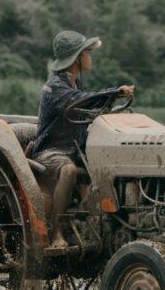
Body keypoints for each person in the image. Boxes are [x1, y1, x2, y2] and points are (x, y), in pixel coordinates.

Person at [30, 30, 134, 250]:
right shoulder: (55, 87)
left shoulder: (75, 84)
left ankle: (101, 225)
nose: (90, 57)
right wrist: (115, 92)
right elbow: (83, 101)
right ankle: (55, 231)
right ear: (77, 57)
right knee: (69, 171)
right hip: (51, 151)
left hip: (75, 149)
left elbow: (87, 107)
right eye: (87, 52)